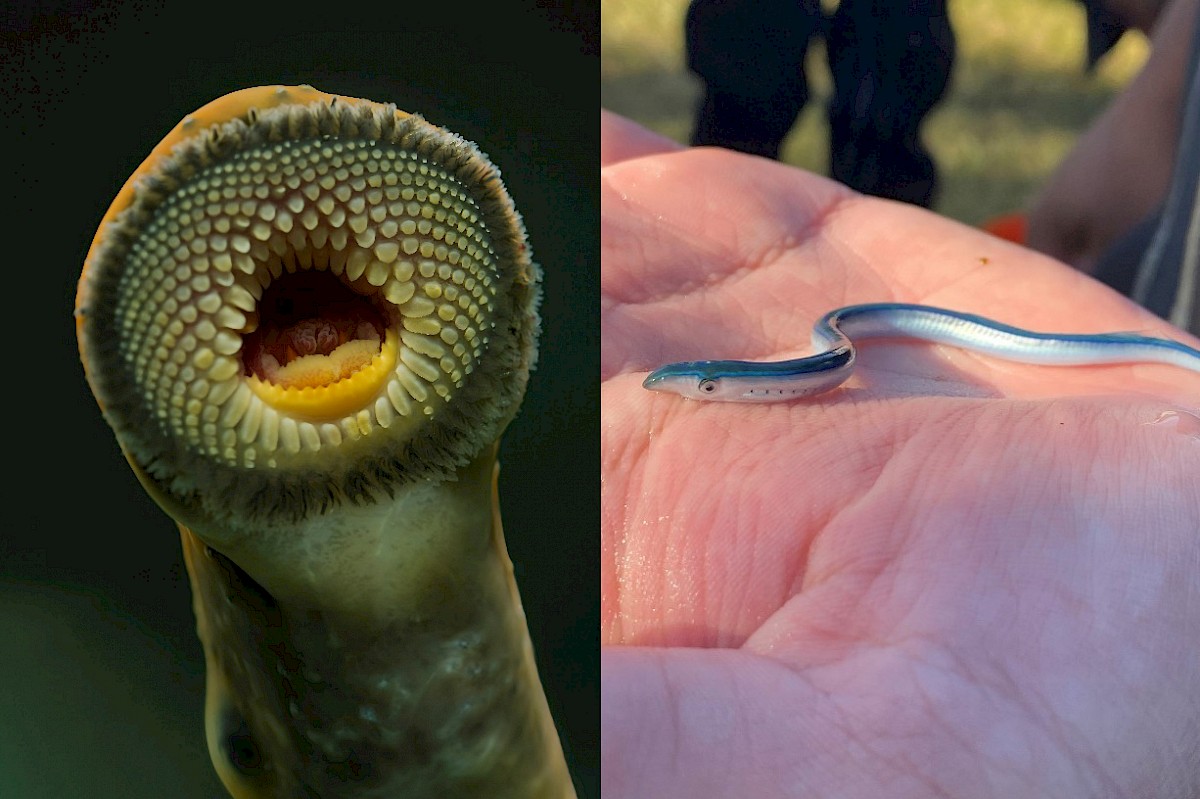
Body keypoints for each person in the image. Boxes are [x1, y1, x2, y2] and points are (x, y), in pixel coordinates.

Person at [601, 108, 1200, 797]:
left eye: (709, 387)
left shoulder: (829, 358)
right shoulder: (828, 350)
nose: (705, 392)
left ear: (741, 385)